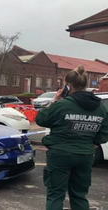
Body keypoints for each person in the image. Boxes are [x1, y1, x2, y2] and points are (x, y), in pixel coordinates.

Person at [36, 66, 108, 210]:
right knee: (79, 195)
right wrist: (91, 143)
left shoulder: (62, 105)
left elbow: (41, 119)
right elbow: (104, 133)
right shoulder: (100, 108)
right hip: (85, 155)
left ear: (68, 86)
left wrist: (55, 100)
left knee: (55, 195)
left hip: (60, 155)